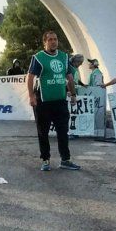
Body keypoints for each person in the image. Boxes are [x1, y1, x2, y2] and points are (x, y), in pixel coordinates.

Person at [26, 31, 81, 172]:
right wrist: (31, 96)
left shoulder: (64, 57)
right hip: (43, 101)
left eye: (55, 39)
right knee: (43, 132)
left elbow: (69, 77)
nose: (53, 42)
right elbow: (30, 77)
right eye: (50, 40)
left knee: (63, 131)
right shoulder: (38, 58)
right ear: (45, 42)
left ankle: (65, 160)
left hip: (60, 101)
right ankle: (45, 160)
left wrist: (73, 94)